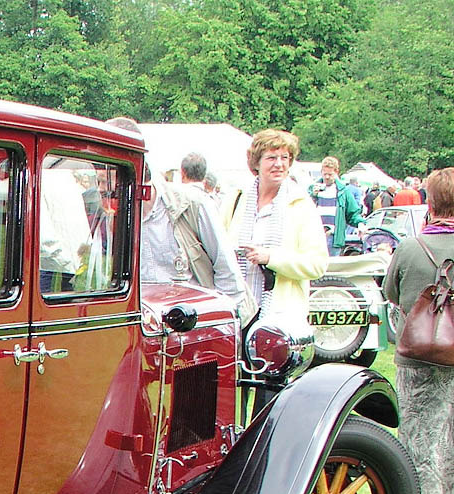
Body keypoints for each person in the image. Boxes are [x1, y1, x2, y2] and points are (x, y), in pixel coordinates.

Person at [381, 166, 454, 494]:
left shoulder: (409, 247)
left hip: (419, 356)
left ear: (429, 200)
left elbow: (392, 293)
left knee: (418, 441)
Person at [109, 119, 245, 313]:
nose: (101, 190)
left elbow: (228, 274)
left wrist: (218, 324)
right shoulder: (115, 219)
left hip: (195, 325)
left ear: (133, 173)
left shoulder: (192, 205)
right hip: (149, 328)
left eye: (107, 179)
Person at [221, 129, 327, 333]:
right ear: (256, 163)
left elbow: (317, 265)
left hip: (279, 320)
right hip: (237, 311)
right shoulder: (235, 200)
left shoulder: (301, 205)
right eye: (271, 157)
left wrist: (271, 257)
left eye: (285, 158)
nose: (279, 164)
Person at [308, 156, 364, 255]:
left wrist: (360, 224)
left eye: (330, 174)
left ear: (337, 172)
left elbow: (353, 214)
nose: (327, 177)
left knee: (332, 268)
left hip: (334, 239)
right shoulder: (312, 189)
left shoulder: (343, 191)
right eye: (325, 174)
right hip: (314, 238)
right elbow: (303, 211)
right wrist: (312, 196)